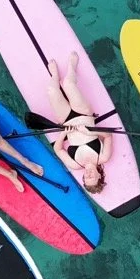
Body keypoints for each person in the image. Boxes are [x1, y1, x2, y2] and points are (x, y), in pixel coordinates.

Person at [46, 52, 112, 194]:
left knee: (52, 90)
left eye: (86, 178)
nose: (89, 175)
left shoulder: (75, 165)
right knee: (68, 84)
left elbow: (58, 150)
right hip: (84, 113)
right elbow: (108, 136)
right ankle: (72, 67)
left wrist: (64, 133)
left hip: (65, 120)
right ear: (99, 175)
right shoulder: (103, 157)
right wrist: (91, 132)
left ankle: (54, 76)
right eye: (92, 177)